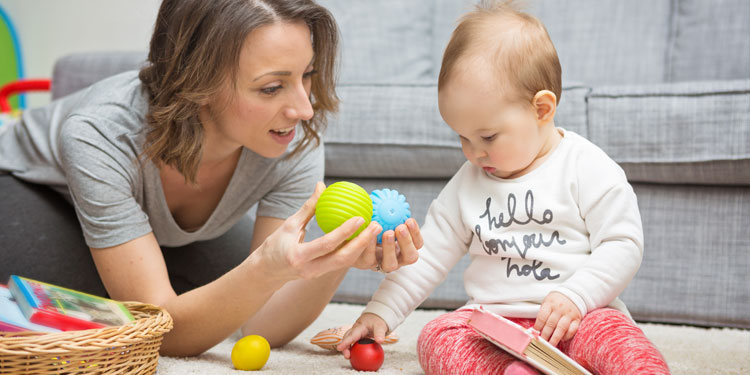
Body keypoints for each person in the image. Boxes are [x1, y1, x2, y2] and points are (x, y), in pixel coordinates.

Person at [0, 0, 423, 357]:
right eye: (272, 87)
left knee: (236, 285)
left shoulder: (292, 140)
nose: (305, 109)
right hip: (28, 189)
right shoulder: (101, 133)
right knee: (106, 312)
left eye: (306, 75)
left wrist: (343, 254)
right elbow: (159, 333)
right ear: (196, 84)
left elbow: (263, 325)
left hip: (163, 233)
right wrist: (259, 274)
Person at [336, 2, 669, 374]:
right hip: (493, 325)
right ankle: (515, 369)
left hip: (580, 318)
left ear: (541, 109)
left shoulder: (587, 167)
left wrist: (577, 296)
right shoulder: (467, 183)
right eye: (462, 137)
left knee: (623, 346)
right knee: (436, 336)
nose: (474, 152)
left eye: (488, 136)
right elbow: (427, 258)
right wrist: (379, 313)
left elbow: (622, 244)